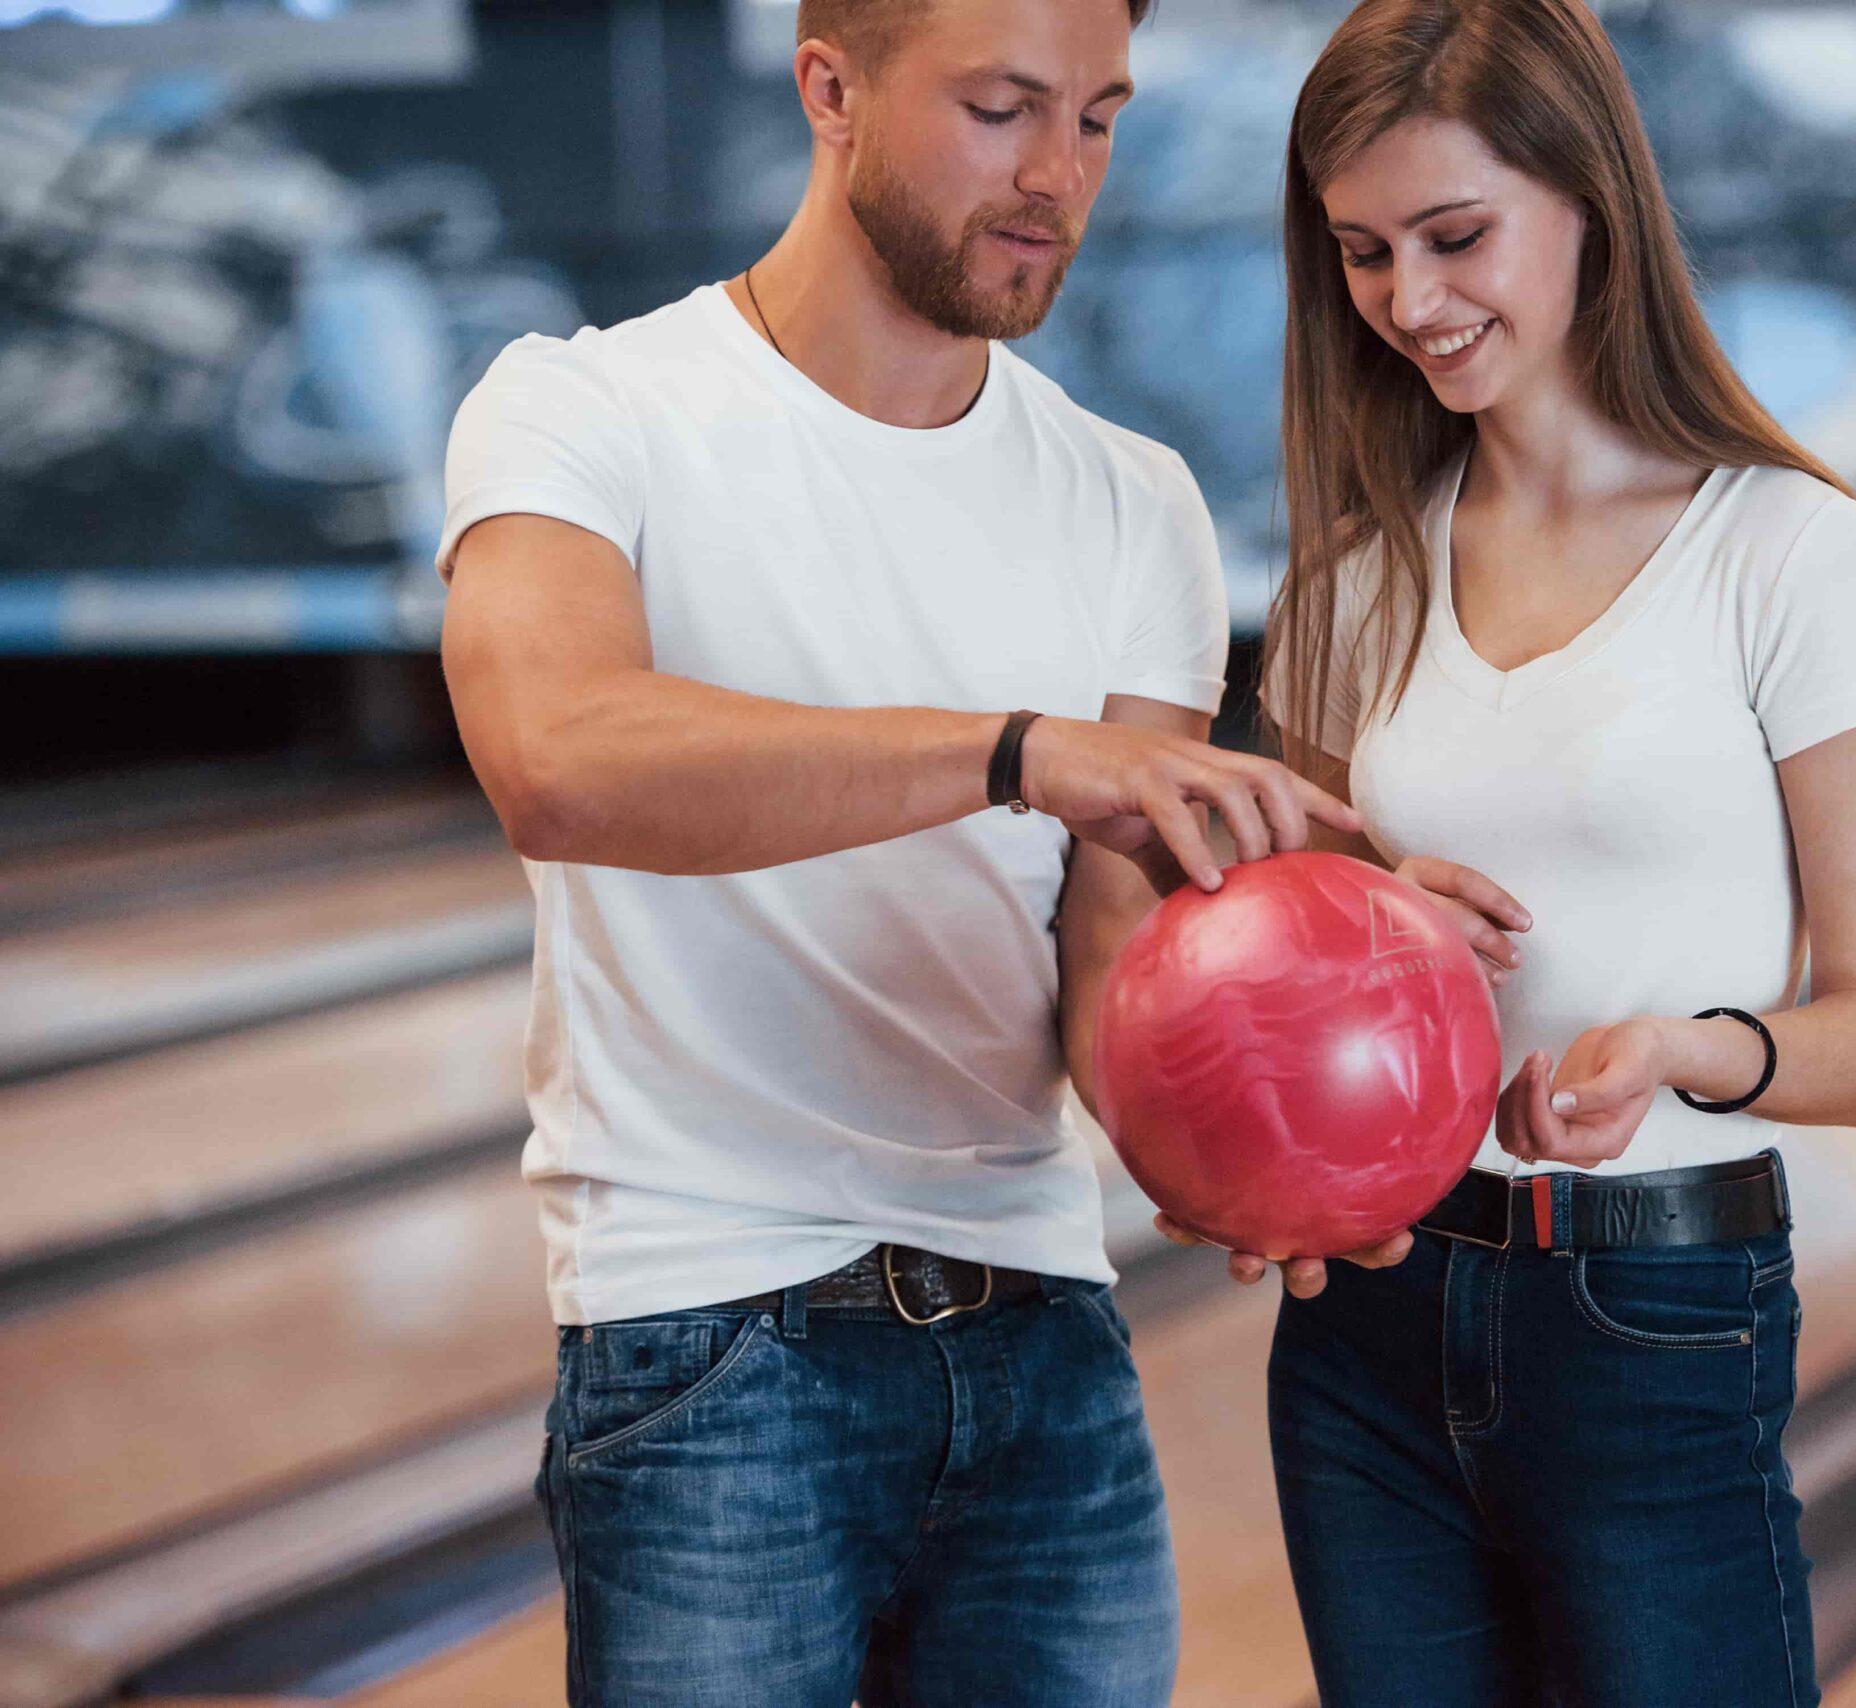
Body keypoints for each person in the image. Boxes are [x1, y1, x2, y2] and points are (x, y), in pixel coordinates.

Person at [435, 0, 1359, 1702]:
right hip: (708, 1333)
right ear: (830, 88)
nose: (1057, 176)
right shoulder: (583, 410)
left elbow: (1105, 964)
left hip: (1045, 1342)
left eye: (1097, 118)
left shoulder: (1132, 496)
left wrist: (1254, 1147)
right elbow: (558, 760)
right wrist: (1012, 753)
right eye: (1004, 107)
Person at [1160, 1, 1856, 1703]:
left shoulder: (1788, 554)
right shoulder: (1348, 589)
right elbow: (1283, 974)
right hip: (1365, 1333)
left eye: (1457, 236)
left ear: (1589, 200)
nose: (1411, 302)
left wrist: (1680, 1053)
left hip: (1656, 1316)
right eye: (1363, 253)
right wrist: (1264, 1165)